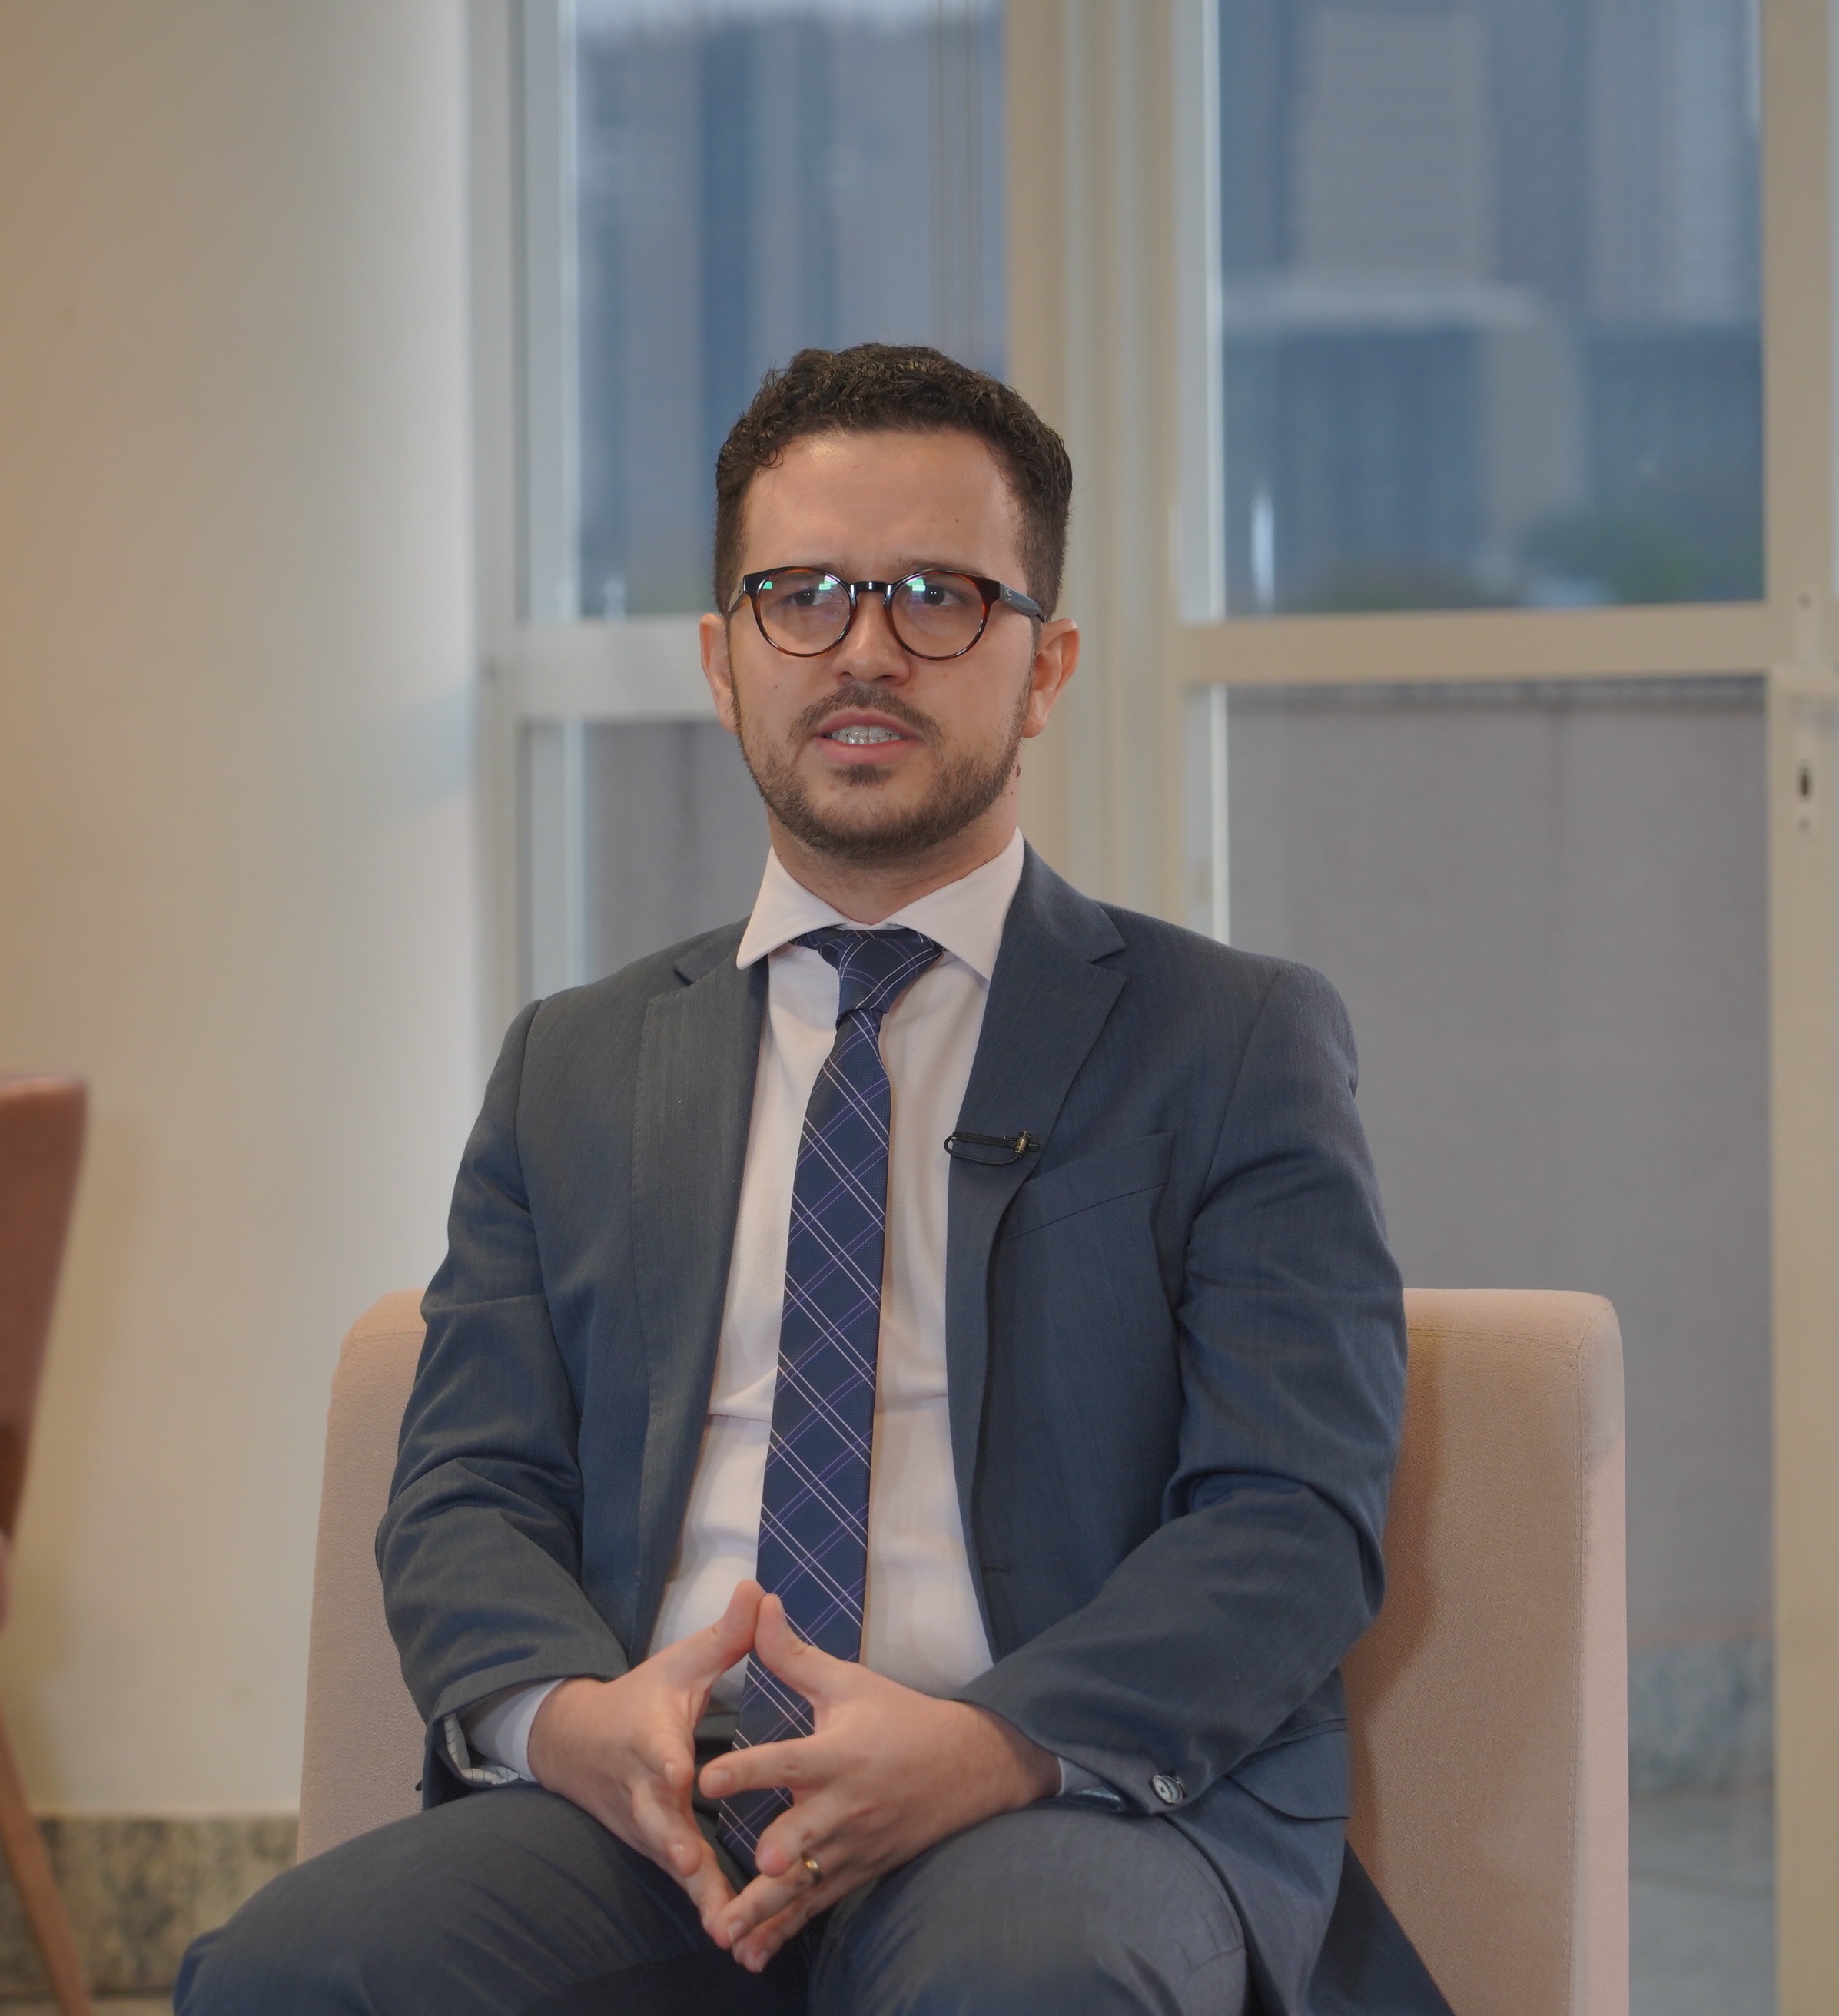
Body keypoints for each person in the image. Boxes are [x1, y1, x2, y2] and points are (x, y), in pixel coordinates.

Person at [178, 345, 1443, 2015]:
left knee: (1026, 1991)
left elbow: (1290, 1518)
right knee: (288, 1976)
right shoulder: (573, 1063)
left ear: (1045, 667)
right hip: (660, 1809)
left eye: (938, 597)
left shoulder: (1231, 1040)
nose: (863, 649)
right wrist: (574, 1721)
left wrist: (986, 1744)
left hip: (1057, 1799)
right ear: (724, 660)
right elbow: (467, 1489)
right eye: (803, 596)